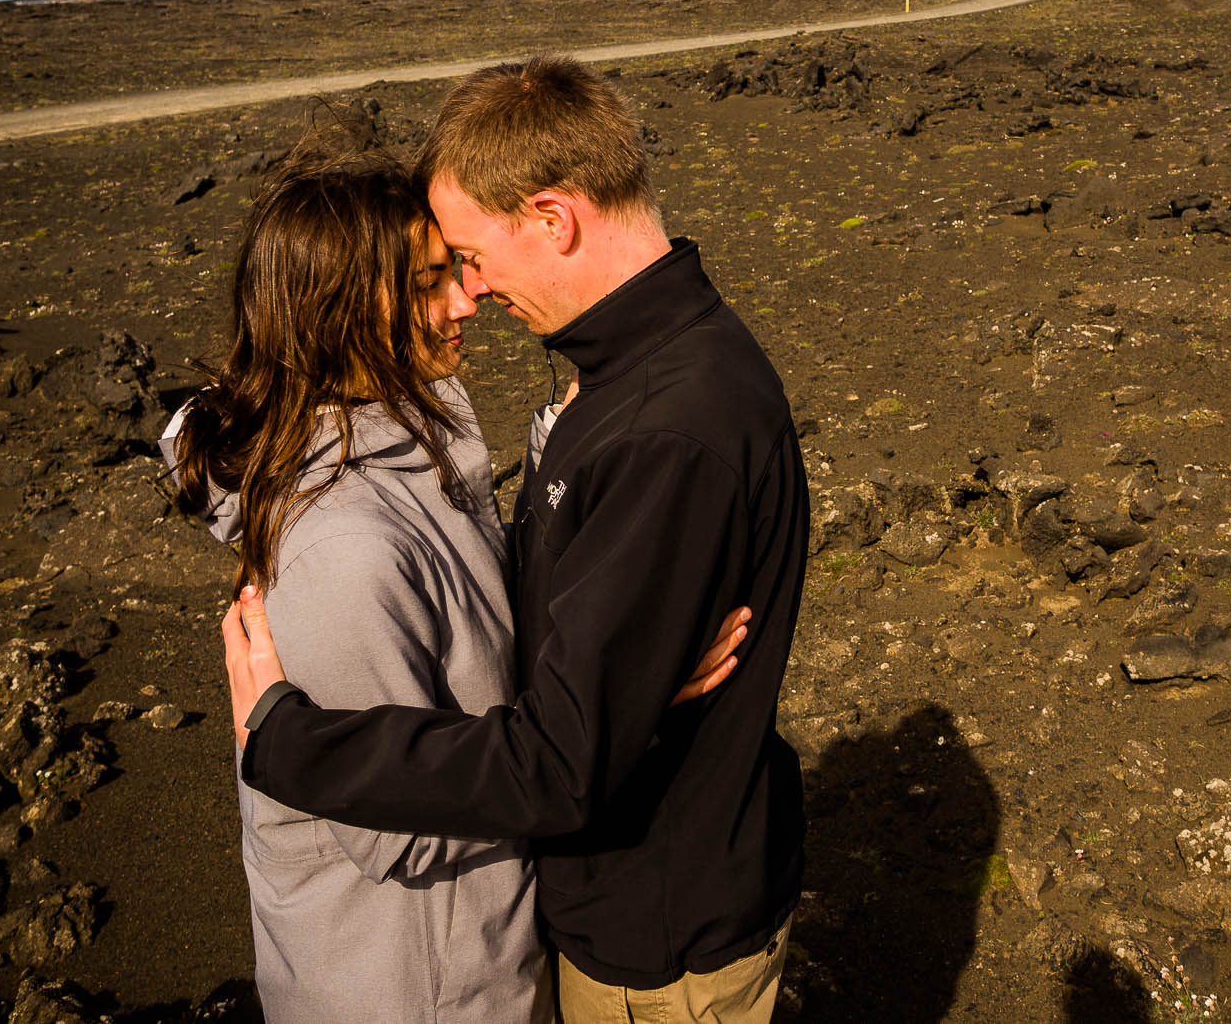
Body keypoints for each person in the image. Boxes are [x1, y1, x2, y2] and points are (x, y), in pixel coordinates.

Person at [223, 55, 809, 1023]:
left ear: (553, 217)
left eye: (471, 256)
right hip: (563, 920)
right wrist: (630, 671)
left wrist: (292, 748)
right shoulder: (616, 378)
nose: (472, 291)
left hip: (654, 929)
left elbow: (562, 768)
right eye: (439, 274)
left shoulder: (662, 425)